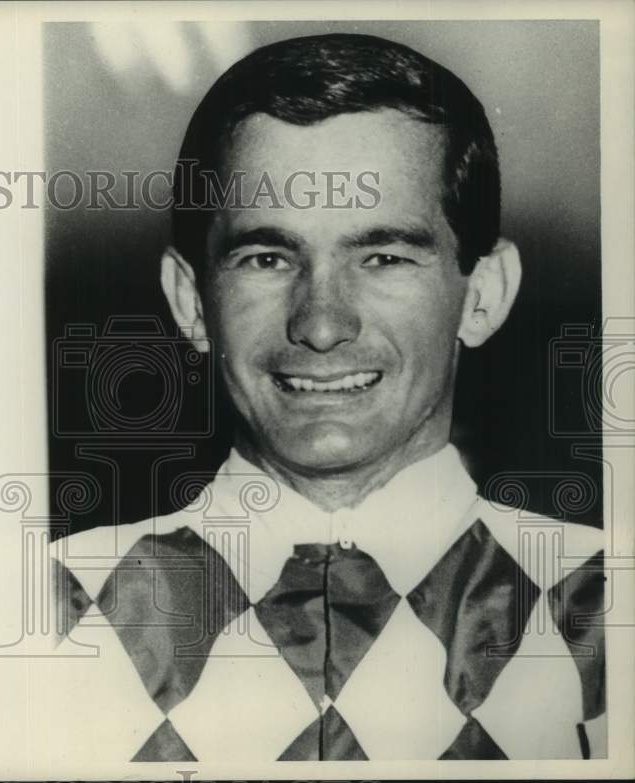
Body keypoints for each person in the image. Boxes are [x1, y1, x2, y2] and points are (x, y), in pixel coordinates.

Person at [40, 33, 605, 763]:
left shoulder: (603, 609)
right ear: (190, 299)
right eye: (268, 257)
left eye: (384, 257)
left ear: (484, 294)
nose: (321, 323)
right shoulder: (51, 606)